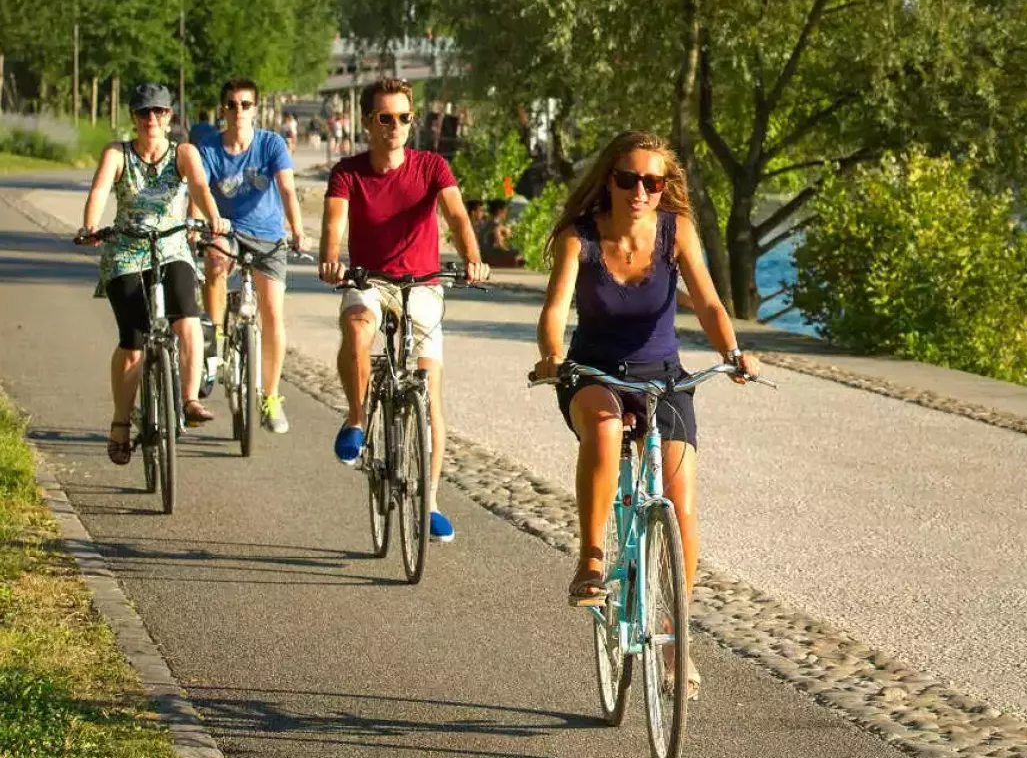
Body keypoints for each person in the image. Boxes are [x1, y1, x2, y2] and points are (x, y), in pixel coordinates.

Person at [531, 131, 760, 700]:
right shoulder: (580, 238)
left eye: (652, 182)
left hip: (664, 376)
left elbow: (709, 302)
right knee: (605, 428)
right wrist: (553, 357)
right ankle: (590, 559)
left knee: (681, 504)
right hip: (593, 374)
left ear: (664, 187)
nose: (640, 192)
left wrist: (733, 353)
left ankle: (677, 638)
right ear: (608, 180)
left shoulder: (676, 232)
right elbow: (555, 309)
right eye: (628, 179)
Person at [319, 78, 489, 543]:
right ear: (367, 122)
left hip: (422, 284)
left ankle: (429, 501)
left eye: (403, 118)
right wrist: (331, 259)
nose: (395, 126)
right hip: (369, 280)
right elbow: (334, 222)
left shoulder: (432, 166)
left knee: (430, 393)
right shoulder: (348, 172)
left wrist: (472, 257)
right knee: (357, 327)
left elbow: (456, 215)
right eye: (385, 118)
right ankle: (357, 418)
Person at [75, 83, 231, 464]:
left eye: (159, 112)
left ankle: (189, 400)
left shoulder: (183, 153)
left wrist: (213, 218)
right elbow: (99, 190)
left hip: (171, 245)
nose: (151, 119)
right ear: (134, 116)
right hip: (126, 250)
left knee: (187, 318)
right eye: (144, 112)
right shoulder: (117, 153)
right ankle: (120, 422)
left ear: (169, 116)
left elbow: (199, 187)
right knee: (133, 342)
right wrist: (90, 226)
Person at [196, 78, 305, 434]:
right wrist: (199, 225)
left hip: (268, 236)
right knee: (215, 261)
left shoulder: (271, 144)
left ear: (255, 109)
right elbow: (199, 190)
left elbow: (287, 188)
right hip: (226, 230)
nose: (238, 110)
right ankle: (215, 342)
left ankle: (270, 396)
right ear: (222, 109)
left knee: (272, 311)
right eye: (231, 104)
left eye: (245, 104)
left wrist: (298, 230)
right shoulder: (209, 148)